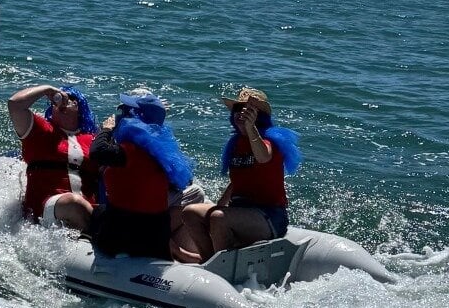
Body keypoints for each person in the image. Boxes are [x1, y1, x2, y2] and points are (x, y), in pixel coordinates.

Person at [182, 87, 302, 256]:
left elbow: (263, 157)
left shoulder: (270, 141)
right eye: (238, 109)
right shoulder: (236, 144)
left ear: (259, 116)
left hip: (268, 216)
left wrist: (251, 128)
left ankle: (222, 267)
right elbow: (237, 181)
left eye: (249, 110)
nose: (241, 113)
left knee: (218, 218)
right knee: (190, 212)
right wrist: (220, 204)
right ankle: (209, 261)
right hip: (240, 211)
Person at [78, 92, 193, 260]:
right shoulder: (163, 156)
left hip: (124, 238)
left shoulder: (130, 152)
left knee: (99, 212)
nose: (119, 115)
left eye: (123, 111)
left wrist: (106, 130)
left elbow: (97, 152)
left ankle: (84, 247)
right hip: (156, 240)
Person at [7, 84, 98, 222]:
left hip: (87, 209)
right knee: (74, 203)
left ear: (79, 107)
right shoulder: (39, 130)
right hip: (45, 208)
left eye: (70, 98)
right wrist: (46, 90)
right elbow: (15, 104)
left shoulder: (93, 140)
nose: (63, 101)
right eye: (58, 99)